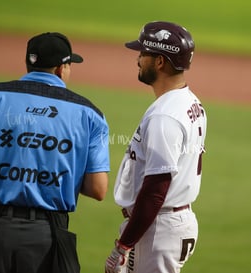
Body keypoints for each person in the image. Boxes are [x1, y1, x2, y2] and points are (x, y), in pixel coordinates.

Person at [0, 32, 110, 273]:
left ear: (29, 63)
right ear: (61, 69)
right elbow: (98, 188)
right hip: (46, 234)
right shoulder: (90, 114)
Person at [105, 21, 207, 273]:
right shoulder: (190, 101)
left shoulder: (165, 116)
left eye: (143, 54)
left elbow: (156, 188)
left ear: (160, 62)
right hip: (170, 223)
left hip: (159, 230)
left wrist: (123, 244)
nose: (138, 59)